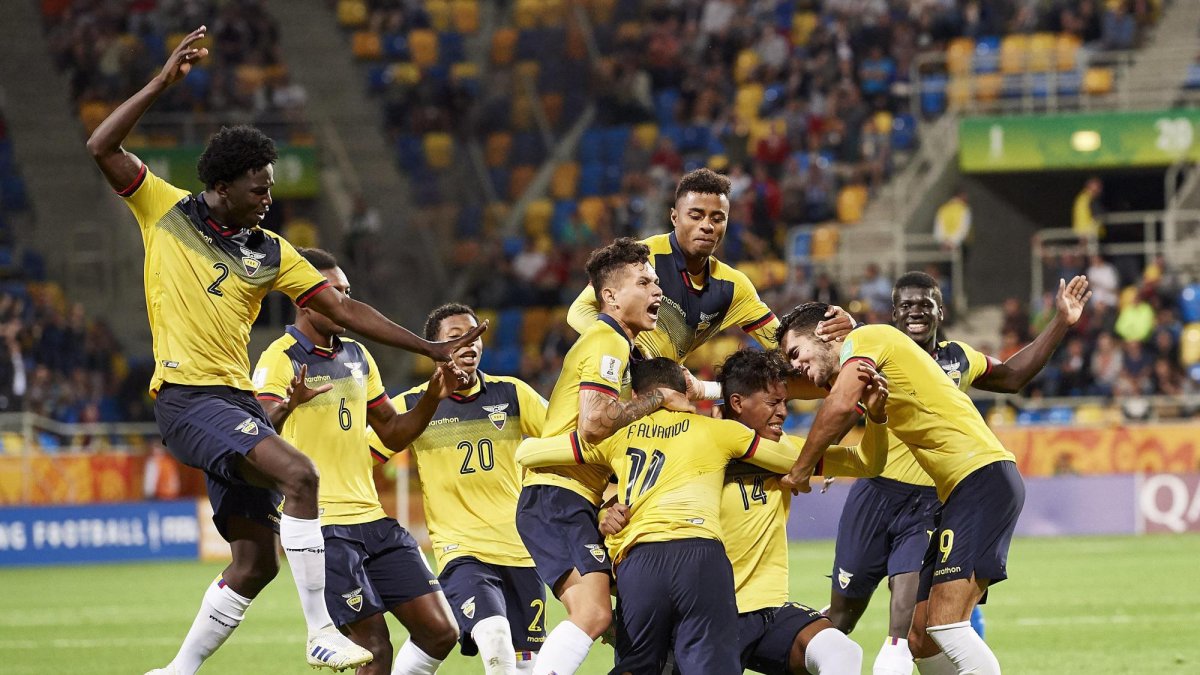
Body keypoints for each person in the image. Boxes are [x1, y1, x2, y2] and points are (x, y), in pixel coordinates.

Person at [88, 29, 483, 674]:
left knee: (255, 561)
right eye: (258, 186)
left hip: (232, 398)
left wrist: (429, 348)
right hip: (187, 397)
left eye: (270, 186)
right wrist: (162, 83)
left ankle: (176, 671)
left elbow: (345, 309)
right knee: (301, 475)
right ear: (220, 183)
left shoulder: (271, 250)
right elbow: (101, 145)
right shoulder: (163, 210)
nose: (268, 196)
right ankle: (319, 630)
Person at [824, 272, 1091, 675]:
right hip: (876, 491)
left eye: (925, 304)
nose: (916, 312)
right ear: (893, 313)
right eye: (907, 305)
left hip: (932, 502)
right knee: (845, 614)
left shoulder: (958, 358)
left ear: (940, 311)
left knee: (918, 627)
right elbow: (841, 395)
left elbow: (1014, 376)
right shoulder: (876, 350)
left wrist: (1060, 322)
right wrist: (830, 454)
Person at [515, 358, 814, 674]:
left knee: (637, 665)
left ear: (635, 397)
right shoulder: (719, 431)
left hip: (639, 561)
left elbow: (528, 453)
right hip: (701, 557)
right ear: (685, 391)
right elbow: (793, 459)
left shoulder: (615, 436)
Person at [603, 348, 889, 675]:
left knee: (841, 652)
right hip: (704, 615)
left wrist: (877, 419)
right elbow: (635, 516)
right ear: (738, 403)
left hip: (767, 611)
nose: (783, 412)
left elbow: (867, 463)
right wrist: (605, 515)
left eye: (785, 402)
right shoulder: (698, 448)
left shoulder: (790, 452)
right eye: (772, 403)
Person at [778, 303, 1025, 675]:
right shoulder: (868, 360)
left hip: (981, 477)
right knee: (922, 638)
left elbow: (840, 405)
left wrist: (800, 471)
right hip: (959, 489)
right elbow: (792, 387)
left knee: (947, 626)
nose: (794, 364)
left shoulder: (867, 338)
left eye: (796, 353)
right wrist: (708, 388)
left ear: (827, 334)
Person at [252, 249, 461, 675]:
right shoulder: (281, 356)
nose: (343, 302)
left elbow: (392, 431)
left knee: (442, 632)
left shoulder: (358, 357)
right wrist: (287, 406)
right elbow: (256, 434)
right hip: (323, 526)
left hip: (374, 520)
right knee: (373, 648)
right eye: (335, 292)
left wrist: (432, 400)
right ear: (305, 297)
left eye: (348, 293)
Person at [515, 238, 692, 675]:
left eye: (657, 282)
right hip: (558, 497)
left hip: (563, 499)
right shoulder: (606, 340)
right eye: (644, 282)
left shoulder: (620, 345)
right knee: (596, 615)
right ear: (609, 296)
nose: (657, 292)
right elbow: (594, 424)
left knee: (621, 614)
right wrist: (656, 400)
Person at [371, 302, 550, 675]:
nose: (470, 344)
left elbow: (564, 438)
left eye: (475, 336)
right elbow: (359, 458)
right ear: (434, 347)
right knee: (495, 636)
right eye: (456, 337)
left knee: (525, 666)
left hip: (522, 552)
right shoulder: (413, 405)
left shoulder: (513, 394)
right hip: (462, 551)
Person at [566, 168, 851, 365]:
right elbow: (579, 312)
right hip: (607, 380)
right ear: (675, 217)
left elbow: (782, 345)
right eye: (696, 215)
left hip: (658, 394)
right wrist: (631, 353)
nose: (707, 225)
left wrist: (838, 336)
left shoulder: (733, 288)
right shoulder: (640, 258)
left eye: (717, 218)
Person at [933, 188, 971, 255]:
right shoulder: (964, 209)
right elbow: (964, 228)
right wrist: (952, 242)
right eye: (965, 196)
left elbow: (939, 227)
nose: (967, 198)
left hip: (943, 245)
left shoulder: (943, 208)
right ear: (960, 196)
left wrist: (944, 242)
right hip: (957, 245)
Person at [1072, 177, 1104, 242]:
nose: (1100, 190)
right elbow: (1097, 214)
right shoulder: (1089, 199)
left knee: (1085, 249)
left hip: (1084, 231)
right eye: (1098, 187)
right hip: (1089, 231)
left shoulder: (1082, 197)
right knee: (1090, 250)